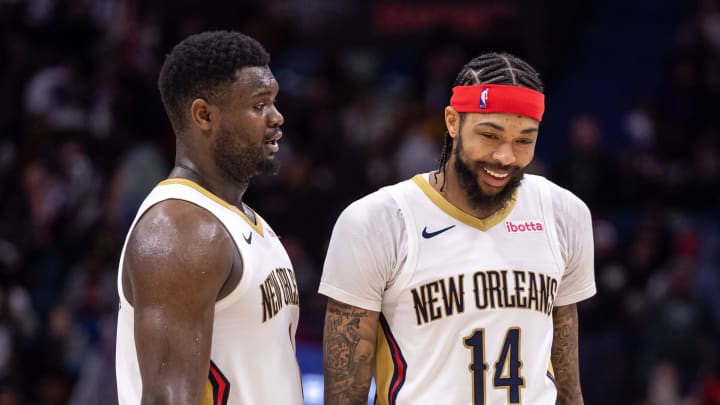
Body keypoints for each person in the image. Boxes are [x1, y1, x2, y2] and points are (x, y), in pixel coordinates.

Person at [319, 52, 596, 405]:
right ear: (452, 122)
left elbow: (568, 379)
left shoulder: (564, 214)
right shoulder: (376, 222)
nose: (505, 156)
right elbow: (345, 395)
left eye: (524, 140)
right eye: (490, 135)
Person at [115, 31, 303, 404]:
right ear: (204, 115)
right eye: (259, 105)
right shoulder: (182, 231)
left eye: (274, 102)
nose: (277, 117)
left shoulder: (241, 221)